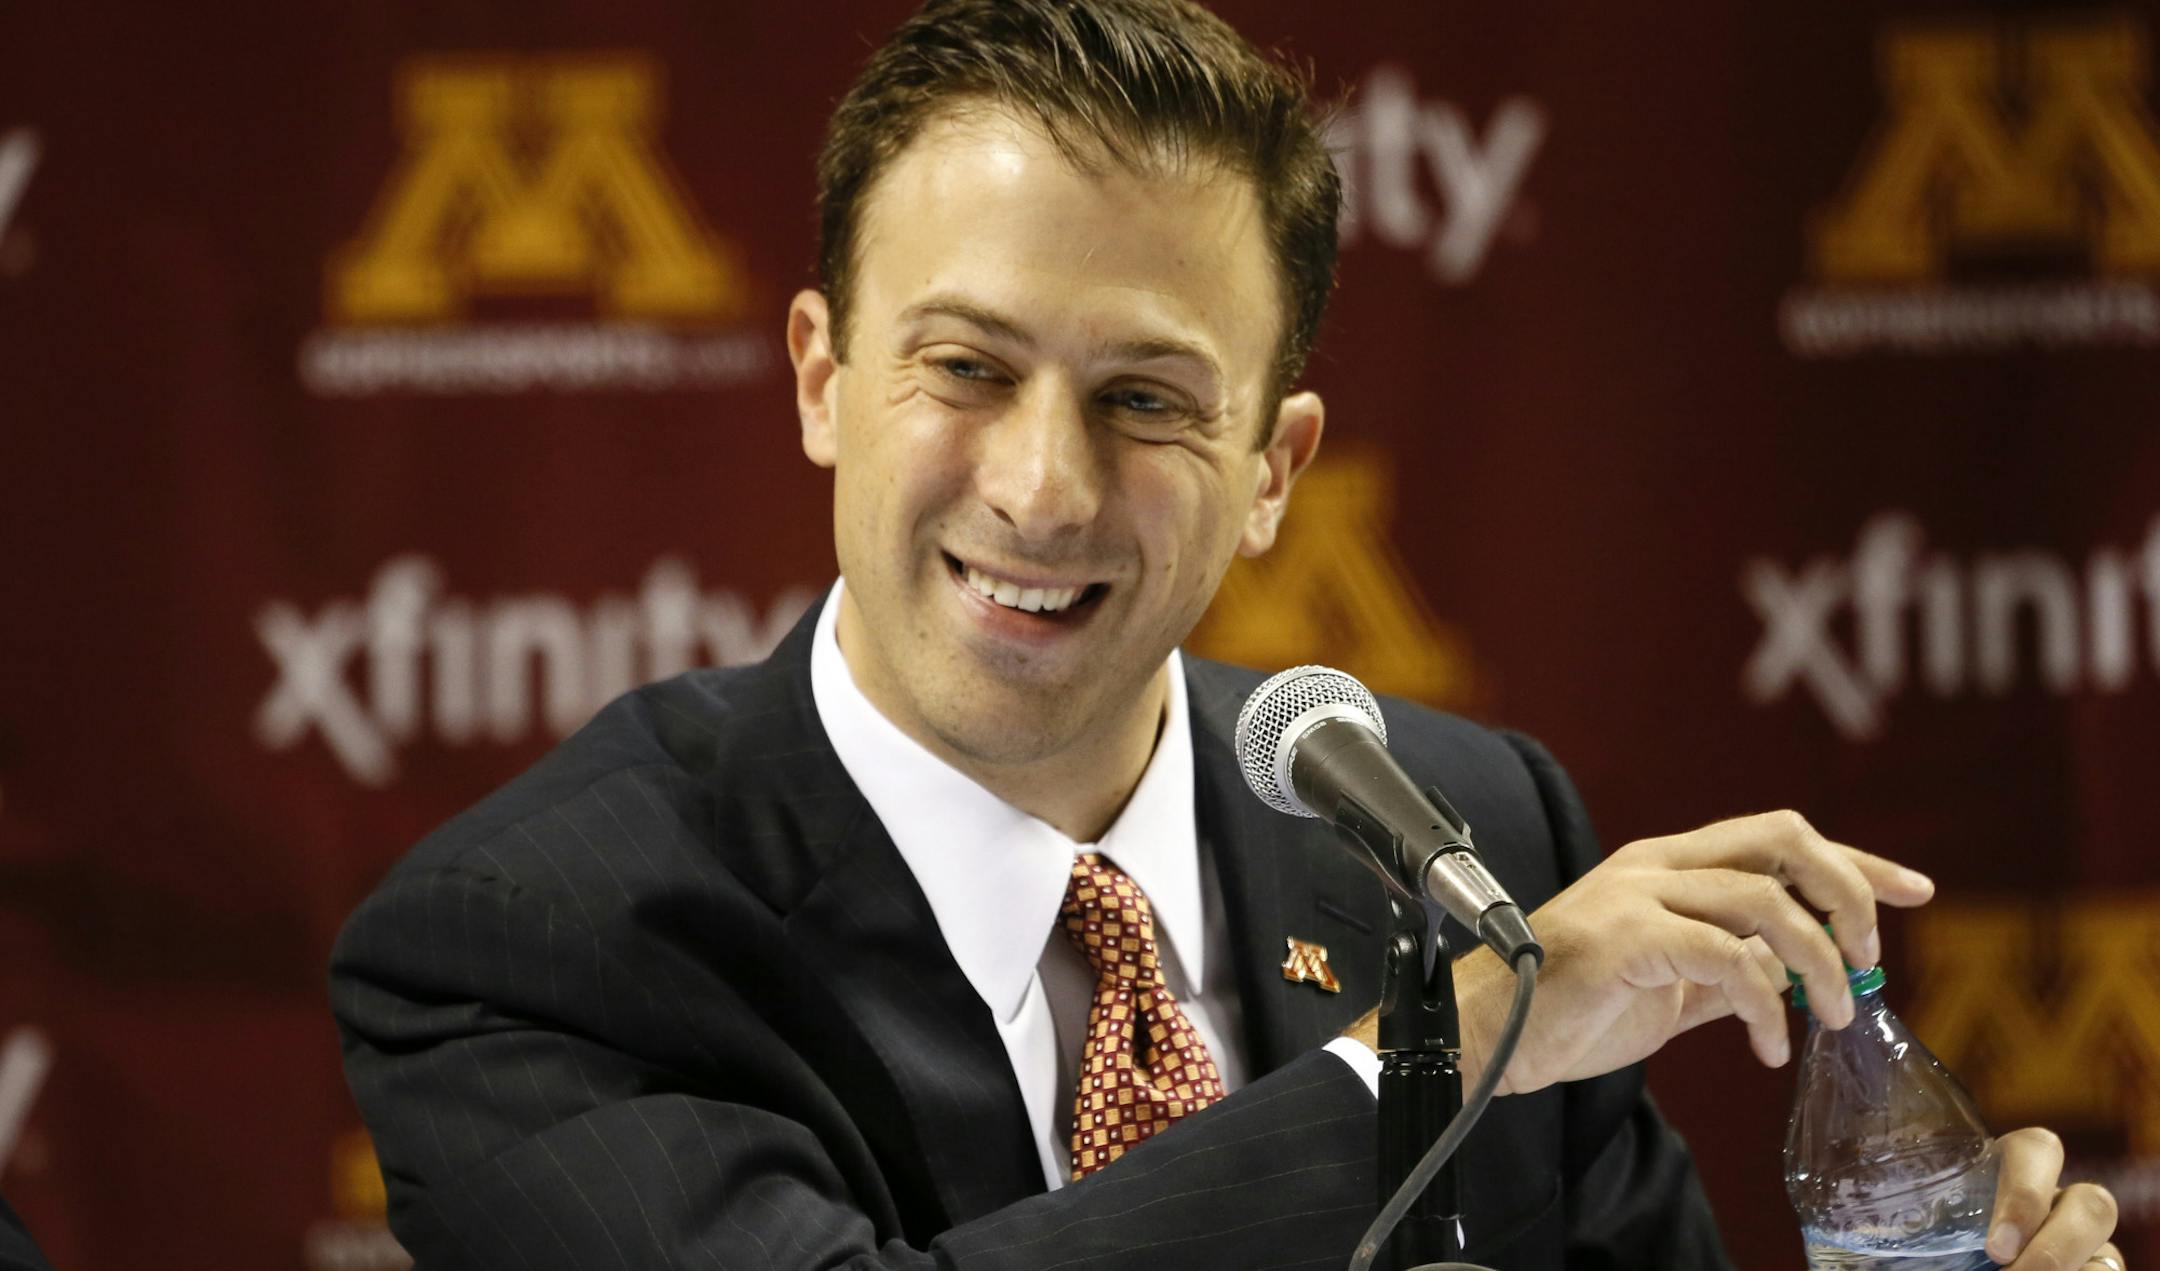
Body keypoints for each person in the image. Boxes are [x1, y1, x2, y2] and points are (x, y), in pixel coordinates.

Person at [329, 1, 2126, 1267]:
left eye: (1147, 401)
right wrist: (1445, 1048)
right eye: (965, 368)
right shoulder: (531, 939)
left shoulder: (1477, 836)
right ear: (821, 377)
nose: (1041, 488)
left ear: (1275, 470)